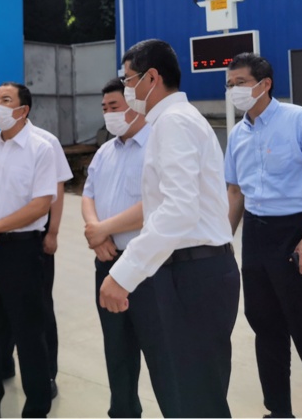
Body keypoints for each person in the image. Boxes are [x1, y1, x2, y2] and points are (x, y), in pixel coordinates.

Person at [99, 39, 240, 418]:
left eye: (128, 79)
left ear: (152, 78)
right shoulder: (175, 120)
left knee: (195, 399)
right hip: (191, 270)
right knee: (187, 393)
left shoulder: (174, 122)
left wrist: (123, 274)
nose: (126, 88)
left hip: (194, 273)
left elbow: (178, 209)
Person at [224, 53, 302, 419]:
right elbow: (235, 193)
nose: (234, 90)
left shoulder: (299, 119)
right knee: (265, 328)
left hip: (299, 230)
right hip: (257, 233)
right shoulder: (237, 135)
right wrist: (223, 242)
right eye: (230, 85)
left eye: (241, 83)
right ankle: (279, 412)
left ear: (265, 84)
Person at [81, 77, 181, 419]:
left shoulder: (157, 143)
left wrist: (103, 229)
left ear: (134, 105)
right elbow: (88, 195)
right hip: (108, 261)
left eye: (115, 106)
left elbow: (159, 203)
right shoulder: (105, 152)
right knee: (117, 351)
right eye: (104, 108)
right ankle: (122, 411)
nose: (109, 113)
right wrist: (98, 235)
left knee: (162, 354)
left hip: (150, 267)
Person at [0, 82, 57, 419]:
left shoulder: (41, 148)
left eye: (6, 100)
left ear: (23, 110)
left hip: (21, 252)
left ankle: (36, 410)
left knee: (29, 334)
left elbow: (41, 205)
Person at [1, 118, 72, 399]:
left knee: (39, 306)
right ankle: (4, 362)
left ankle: (46, 373)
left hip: (35, 236)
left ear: (23, 108)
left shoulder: (45, 142)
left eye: (6, 100)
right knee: (3, 303)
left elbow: (57, 191)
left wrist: (52, 232)